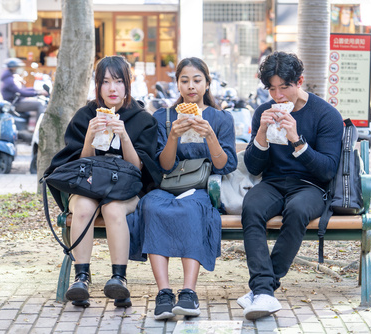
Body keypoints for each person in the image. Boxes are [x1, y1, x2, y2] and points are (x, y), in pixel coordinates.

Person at [45, 56, 162, 308]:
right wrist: (89, 135)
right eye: (105, 81)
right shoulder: (85, 115)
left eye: (119, 81)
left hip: (126, 188)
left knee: (113, 208)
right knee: (85, 208)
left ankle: (119, 279)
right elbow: (78, 165)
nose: (112, 88)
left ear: (128, 85)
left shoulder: (142, 118)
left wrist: (124, 136)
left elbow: (140, 168)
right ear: (97, 85)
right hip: (88, 184)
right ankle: (81, 279)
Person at [127, 57, 237, 320]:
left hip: (201, 187)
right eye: (184, 80)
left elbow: (225, 165)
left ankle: (188, 293)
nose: (191, 86)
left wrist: (209, 135)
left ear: (207, 83)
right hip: (167, 186)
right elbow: (163, 166)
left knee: (192, 208)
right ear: (177, 84)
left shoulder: (221, 118)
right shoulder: (163, 117)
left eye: (197, 80)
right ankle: (164, 293)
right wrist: (173, 136)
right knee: (151, 205)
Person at [238, 51, 344, 320]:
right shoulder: (263, 111)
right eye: (272, 89)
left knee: (296, 210)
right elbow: (254, 168)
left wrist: (297, 140)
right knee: (251, 206)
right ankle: (263, 291)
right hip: (273, 182)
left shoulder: (326, 115)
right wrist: (260, 135)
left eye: (284, 87)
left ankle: (262, 289)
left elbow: (328, 170)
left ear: (300, 82)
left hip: (310, 186)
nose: (278, 96)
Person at [0, 57, 48, 123]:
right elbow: (21, 92)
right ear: (13, 68)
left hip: (16, 101)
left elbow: (22, 90)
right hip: (14, 104)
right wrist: (37, 93)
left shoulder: (9, 78)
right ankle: (39, 128)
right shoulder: (9, 80)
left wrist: (36, 90)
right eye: (17, 67)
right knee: (40, 104)